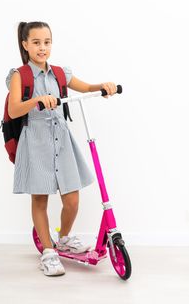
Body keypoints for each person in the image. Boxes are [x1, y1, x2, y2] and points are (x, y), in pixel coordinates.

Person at [6, 21, 117, 276]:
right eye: (36, 42)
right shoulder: (19, 75)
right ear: (25, 45)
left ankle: (63, 237)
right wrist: (36, 100)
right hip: (35, 138)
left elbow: (87, 87)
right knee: (40, 198)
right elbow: (13, 109)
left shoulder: (59, 73)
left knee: (72, 198)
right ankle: (48, 251)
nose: (42, 48)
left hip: (61, 138)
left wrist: (103, 87)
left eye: (46, 42)